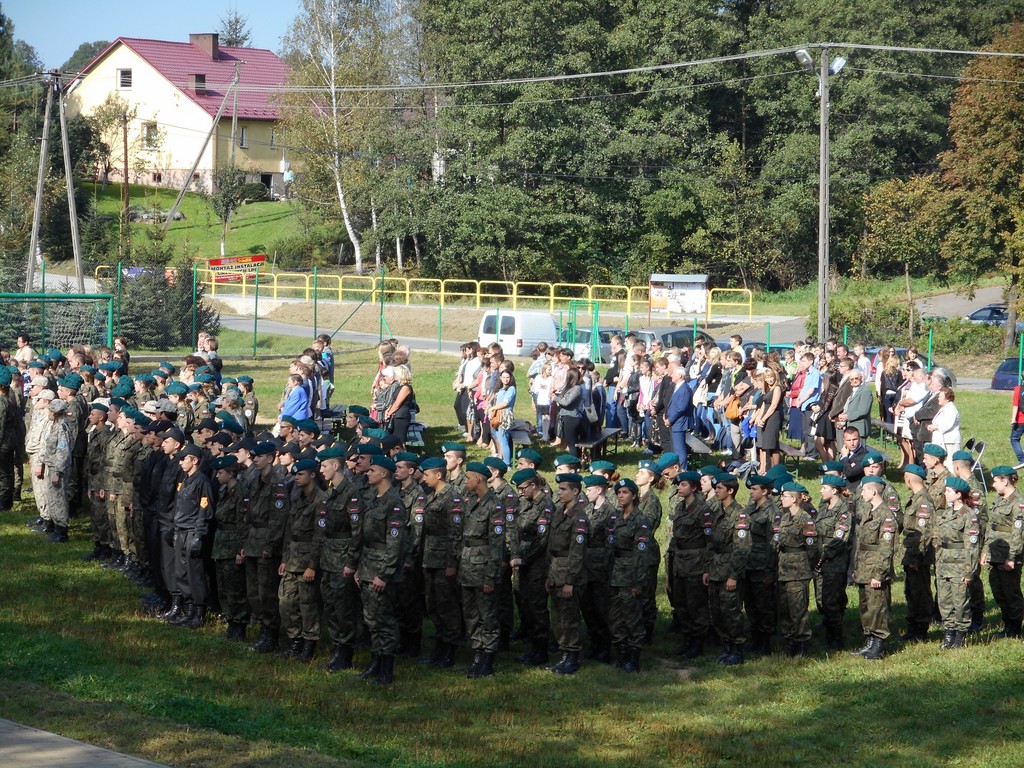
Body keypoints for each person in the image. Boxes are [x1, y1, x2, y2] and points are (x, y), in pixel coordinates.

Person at [353, 455, 409, 685]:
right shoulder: (374, 499)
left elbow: (395, 544)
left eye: (372, 470)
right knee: (371, 619)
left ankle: (386, 669)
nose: (367, 473)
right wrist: (359, 568)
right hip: (368, 566)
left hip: (381, 570)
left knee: (384, 620)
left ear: (383, 473)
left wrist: (384, 575)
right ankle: (376, 661)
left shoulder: (393, 503)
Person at [316, 445, 363, 672]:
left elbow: (357, 532)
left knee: (344, 608)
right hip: (329, 557)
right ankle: (337, 648)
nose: (321, 470)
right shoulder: (330, 492)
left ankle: (345, 653)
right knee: (331, 606)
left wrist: (351, 563)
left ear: (336, 466)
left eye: (324, 466)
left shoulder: (351, 493)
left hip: (343, 558)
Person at [458, 462, 505, 679]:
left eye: (468, 477)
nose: (466, 481)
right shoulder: (469, 501)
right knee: (471, 615)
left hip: (483, 568)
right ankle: (477, 654)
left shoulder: (494, 505)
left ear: (478, 479)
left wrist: (491, 576)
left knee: (488, 616)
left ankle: (488, 658)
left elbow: (497, 544)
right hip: (467, 567)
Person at [244, 442, 292, 654]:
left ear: (270, 458)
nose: (255, 459)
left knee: (267, 592)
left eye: (260, 456)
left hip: (266, 543)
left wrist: (271, 545)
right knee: (253, 591)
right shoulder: (254, 481)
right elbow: (248, 514)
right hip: (253, 541)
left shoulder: (277, 484)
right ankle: (262, 628)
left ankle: (270, 634)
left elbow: (279, 519)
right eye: (254, 456)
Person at [277, 458, 326, 663]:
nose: (296, 478)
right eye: (295, 474)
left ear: (312, 475)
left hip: (307, 560)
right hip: (293, 558)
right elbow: (289, 531)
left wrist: (312, 566)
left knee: (308, 605)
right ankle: (294, 640)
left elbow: (320, 536)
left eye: (300, 474)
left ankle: (309, 644)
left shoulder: (321, 500)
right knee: (286, 601)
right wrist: (284, 558)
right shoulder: (296, 495)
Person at [544, 473, 589, 674]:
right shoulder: (559, 513)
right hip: (556, 572)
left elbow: (577, 552)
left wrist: (570, 581)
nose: (559, 492)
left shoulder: (579, 518)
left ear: (575, 491)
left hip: (569, 574)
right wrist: (549, 575)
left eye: (563, 489)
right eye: (559, 489)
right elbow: (551, 547)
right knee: (558, 617)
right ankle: (563, 654)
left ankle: (572, 656)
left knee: (570, 617)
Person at [850, 476, 898, 660]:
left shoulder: (886, 515)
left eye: (863, 490)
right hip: (864, 567)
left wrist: (879, 573)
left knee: (877, 606)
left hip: (875, 568)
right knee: (866, 606)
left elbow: (886, 548)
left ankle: (878, 643)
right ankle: (869, 640)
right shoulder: (869, 511)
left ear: (873, 491)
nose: (861, 493)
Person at [704, 473, 750, 665]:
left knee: (731, 612)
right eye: (715, 488)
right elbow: (710, 544)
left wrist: (734, 575)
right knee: (717, 612)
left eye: (720, 488)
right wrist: (707, 569)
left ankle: (737, 650)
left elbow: (742, 548)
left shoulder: (740, 515)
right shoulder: (717, 513)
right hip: (715, 568)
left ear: (730, 490)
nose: (716, 490)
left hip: (729, 570)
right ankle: (726, 647)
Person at [510, 467, 553, 666]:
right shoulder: (524, 503)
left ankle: (541, 649)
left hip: (538, 564)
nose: (520, 492)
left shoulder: (545, 505)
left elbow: (543, 540)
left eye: (523, 488)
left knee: (537, 607)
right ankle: (532, 645)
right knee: (525, 603)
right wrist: (515, 554)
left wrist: (524, 559)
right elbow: (515, 531)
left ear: (533, 485)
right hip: (522, 561)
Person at [607, 478, 652, 672]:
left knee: (632, 617)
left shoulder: (640, 520)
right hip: (615, 573)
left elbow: (641, 555)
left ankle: (633, 658)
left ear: (633, 495)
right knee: (615, 617)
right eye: (618, 492)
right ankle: (621, 653)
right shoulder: (615, 517)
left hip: (630, 574)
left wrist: (638, 582)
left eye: (625, 492)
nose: (620, 495)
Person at [170, 444, 214, 629]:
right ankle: (189, 610)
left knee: (195, 574)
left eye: (183, 459)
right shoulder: (185, 479)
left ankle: (199, 612)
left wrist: (198, 535)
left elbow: (205, 510)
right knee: (181, 573)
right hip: (181, 530)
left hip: (192, 532)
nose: (180, 462)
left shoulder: (202, 481)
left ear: (194, 460)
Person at [668, 470, 711, 659]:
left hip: (695, 563)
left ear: (693, 487)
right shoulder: (680, 507)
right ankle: (687, 639)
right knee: (681, 602)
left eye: (683, 484)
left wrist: (706, 568)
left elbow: (709, 541)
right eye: (679, 484)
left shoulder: (703, 509)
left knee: (696, 605)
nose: (679, 487)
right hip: (680, 562)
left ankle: (698, 642)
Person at [935, 477, 982, 649]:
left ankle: (960, 636)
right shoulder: (947, 513)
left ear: (958, 494)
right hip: (944, 564)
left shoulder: (969, 515)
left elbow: (972, 546)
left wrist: (969, 571)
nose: (945, 494)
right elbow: (939, 541)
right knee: (944, 601)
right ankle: (949, 633)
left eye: (948, 491)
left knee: (960, 602)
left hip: (960, 565)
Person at [774, 482, 820, 657]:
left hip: (798, 569)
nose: (781, 499)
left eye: (784, 496)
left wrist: (806, 566)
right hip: (783, 568)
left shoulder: (805, 519)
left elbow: (812, 548)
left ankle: (801, 643)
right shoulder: (785, 518)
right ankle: (790, 640)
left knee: (798, 609)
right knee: (785, 608)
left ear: (794, 499)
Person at [210, 455, 250, 641]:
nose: (217, 476)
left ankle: (239, 624)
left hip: (233, 544)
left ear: (231, 473)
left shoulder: (241, 493)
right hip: (221, 544)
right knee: (223, 587)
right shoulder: (224, 491)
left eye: (220, 473)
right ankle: (230, 620)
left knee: (235, 588)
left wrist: (240, 549)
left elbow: (243, 523)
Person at [984, 466, 1024, 638]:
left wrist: (1011, 557)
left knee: (1011, 593)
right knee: (998, 591)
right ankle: (1007, 624)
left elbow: (1019, 533)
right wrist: (986, 550)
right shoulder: (999, 499)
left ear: (1005, 481)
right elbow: (991, 527)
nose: (993, 485)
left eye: (995, 481)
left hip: (1008, 555)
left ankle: (1014, 629)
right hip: (995, 553)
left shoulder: (1018, 503)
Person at [815, 475, 854, 649]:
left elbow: (839, 538)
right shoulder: (824, 507)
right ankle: (829, 632)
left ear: (834, 490)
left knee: (832, 600)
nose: (821, 491)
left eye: (824, 488)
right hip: (821, 560)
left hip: (834, 562)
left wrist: (823, 555)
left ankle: (836, 639)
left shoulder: (843, 511)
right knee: (822, 599)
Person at [580, 473, 614, 663]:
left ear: (599, 490)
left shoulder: (611, 512)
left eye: (589, 489)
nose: (586, 492)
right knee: (588, 608)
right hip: (586, 567)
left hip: (601, 569)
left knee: (602, 609)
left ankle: (605, 647)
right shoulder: (587, 509)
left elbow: (611, 545)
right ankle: (594, 643)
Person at [901, 464, 936, 642]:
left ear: (908, 479)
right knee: (911, 591)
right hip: (911, 554)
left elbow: (924, 533)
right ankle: (912, 628)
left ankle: (921, 630)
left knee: (920, 593)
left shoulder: (923, 502)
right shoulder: (914, 499)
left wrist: (916, 558)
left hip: (918, 557)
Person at [38, 398, 73, 543]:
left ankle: (62, 530)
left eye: (51, 410)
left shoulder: (62, 428)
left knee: (59, 499)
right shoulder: (54, 425)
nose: (49, 413)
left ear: (56, 413)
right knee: (52, 498)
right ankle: (56, 527)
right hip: (51, 466)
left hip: (58, 469)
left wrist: (57, 472)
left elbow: (62, 452)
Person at [381, 365, 415, 447]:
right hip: (396, 416)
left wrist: (389, 414)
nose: (394, 375)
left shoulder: (406, 387)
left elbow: (397, 403)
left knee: (400, 441)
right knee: (395, 441)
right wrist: (388, 410)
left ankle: (404, 454)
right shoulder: (400, 386)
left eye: (395, 374)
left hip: (401, 417)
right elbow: (393, 401)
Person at [489, 369, 516, 464]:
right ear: (500, 378)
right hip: (497, 416)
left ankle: (507, 463)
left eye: (508, 377)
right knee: (500, 439)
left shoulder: (511, 389)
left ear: (511, 378)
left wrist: (492, 408)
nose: (506, 379)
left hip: (504, 417)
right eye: (503, 377)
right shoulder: (500, 389)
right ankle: (502, 459)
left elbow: (505, 403)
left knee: (504, 441)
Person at [927, 387, 961, 463]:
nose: (938, 398)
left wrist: (935, 427)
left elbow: (947, 424)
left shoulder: (950, 409)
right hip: (944, 440)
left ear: (947, 398)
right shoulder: (945, 408)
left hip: (949, 441)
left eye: (940, 397)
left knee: (949, 463)